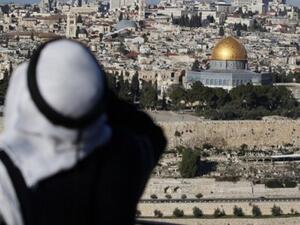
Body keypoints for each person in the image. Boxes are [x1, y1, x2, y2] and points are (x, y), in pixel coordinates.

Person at [0, 39, 166, 225]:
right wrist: (91, 93)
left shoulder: (7, 179)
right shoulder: (127, 158)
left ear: (24, 97)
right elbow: (150, 133)